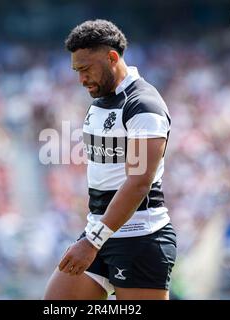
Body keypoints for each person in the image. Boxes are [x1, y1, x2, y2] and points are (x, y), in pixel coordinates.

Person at [43, 19, 176, 300]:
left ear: (112, 57)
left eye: (86, 69)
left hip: (140, 237)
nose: (81, 79)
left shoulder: (142, 105)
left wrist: (93, 241)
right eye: (76, 71)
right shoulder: (101, 99)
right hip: (102, 232)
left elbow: (139, 182)